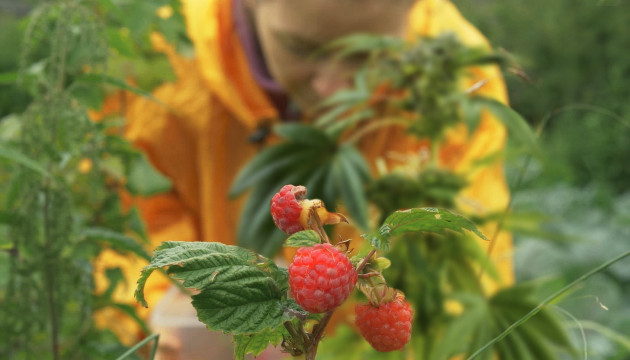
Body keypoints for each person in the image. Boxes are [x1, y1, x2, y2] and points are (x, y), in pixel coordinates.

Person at [92, 0, 514, 352]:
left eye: (368, 55)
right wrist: (146, 327)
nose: (334, 88)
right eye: (301, 48)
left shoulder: (454, 79)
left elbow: (466, 287)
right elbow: (114, 230)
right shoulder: (156, 62)